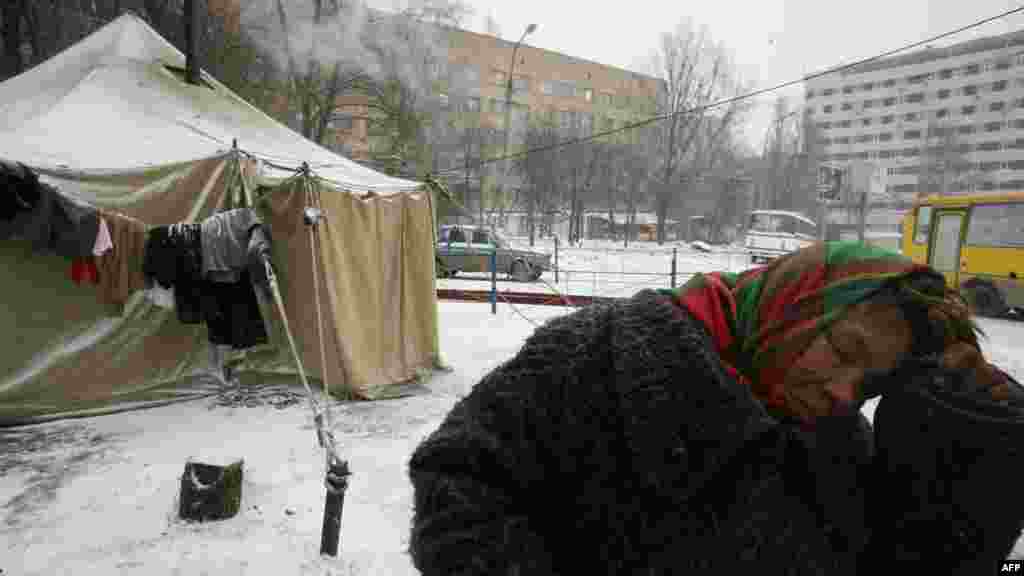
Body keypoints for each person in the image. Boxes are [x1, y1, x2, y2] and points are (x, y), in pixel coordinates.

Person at [407, 241, 1024, 575]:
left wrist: (971, 440)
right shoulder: (600, 354)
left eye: (868, 384)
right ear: (794, 303)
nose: (844, 391)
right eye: (842, 349)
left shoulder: (836, 442)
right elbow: (459, 477)